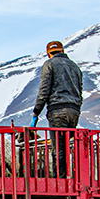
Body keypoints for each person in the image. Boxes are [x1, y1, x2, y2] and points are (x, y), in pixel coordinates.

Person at [31, 40, 83, 178]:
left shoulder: (50, 64)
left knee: (58, 148)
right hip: (74, 111)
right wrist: (76, 108)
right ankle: (74, 177)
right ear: (63, 51)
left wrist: (36, 112)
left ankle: (60, 181)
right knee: (68, 145)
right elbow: (80, 91)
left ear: (49, 54)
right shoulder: (75, 67)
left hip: (57, 111)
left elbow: (44, 90)